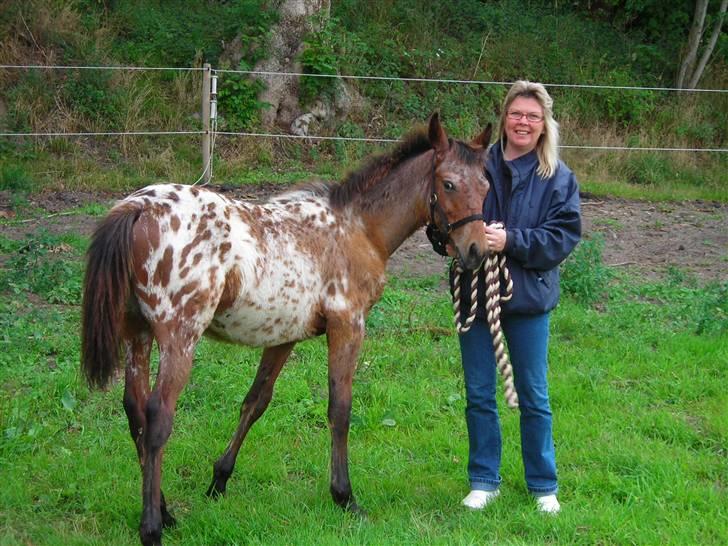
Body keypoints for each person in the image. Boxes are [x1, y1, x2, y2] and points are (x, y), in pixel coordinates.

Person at [435, 81, 581, 514]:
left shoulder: (558, 177)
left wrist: (511, 240)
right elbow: (446, 212)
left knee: (534, 394)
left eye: (532, 117)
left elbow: (562, 236)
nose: (523, 122)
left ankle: (543, 484)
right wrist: (448, 241)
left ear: (544, 125)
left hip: (529, 299)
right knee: (479, 392)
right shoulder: (477, 164)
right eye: (516, 114)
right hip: (476, 293)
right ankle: (484, 479)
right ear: (505, 117)